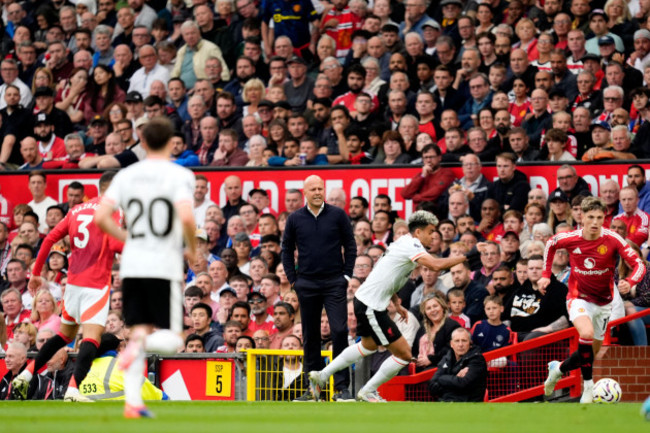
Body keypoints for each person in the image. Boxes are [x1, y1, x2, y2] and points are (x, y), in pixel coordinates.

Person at [307, 211, 485, 402]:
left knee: (367, 346)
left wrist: (395, 302)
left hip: (367, 301)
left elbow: (386, 273)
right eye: (431, 231)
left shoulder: (402, 242)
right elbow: (435, 265)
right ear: (418, 232)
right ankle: (367, 391)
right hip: (371, 305)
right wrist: (468, 255)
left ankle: (322, 376)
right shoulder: (412, 245)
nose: (434, 235)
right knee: (404, 354)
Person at [94, 117, 197, 418]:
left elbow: (102, 218)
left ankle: (133, 403)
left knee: (138, 327)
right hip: (162, 262)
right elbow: (187, 218)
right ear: (170, 142)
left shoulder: (126, 176)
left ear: (142, 141)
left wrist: (129, 238)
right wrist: (191, 248)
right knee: (175, 337)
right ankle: (137, 348)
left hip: (133, 262)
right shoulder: (179, 175)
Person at [11, 172, 123, 403]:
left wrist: (35, 272)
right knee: (92, 338)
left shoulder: (75, 210)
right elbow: (115, 242)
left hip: (72, 283)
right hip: (96, 283)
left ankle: (26, 372)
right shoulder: (113, 210)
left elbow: (50, 238)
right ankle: (73, 390)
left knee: (64, 334)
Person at [541, 197, 645, 403]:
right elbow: (550, 245)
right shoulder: (570, 238)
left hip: (604, 303)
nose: (595, 222)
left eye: (599, 217)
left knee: (590, 352)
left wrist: (631, 281)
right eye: (591, 217)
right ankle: (588, 387)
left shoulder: (613, 239)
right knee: (586, 334)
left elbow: (638, 263)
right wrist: (545, 274)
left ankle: (558, 368)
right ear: (582, 217)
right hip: (578, 298)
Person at [281, 175, 357, 401]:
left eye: (320, 188)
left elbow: (350, 245)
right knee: (310, 336)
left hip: (335, 282)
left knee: (340, 331)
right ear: (305, 192)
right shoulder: (295, 218)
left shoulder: (337, 215)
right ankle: (313, 389)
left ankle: (342, 387)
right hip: (307, 284)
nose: (317, 192)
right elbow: (286, 249)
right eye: (313, 189)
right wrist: (293, 280)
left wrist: (346, 274)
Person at [427, 327, 488, 402]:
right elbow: (432, 387)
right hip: (445, 402)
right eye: (457, 341)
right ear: (451, 344)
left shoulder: (477, 359)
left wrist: (441, 378)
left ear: (470, 343)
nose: (460, 344)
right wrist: (455, 378)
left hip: (469, 406)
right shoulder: (446, 358)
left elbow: (463, 384)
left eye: (464, 341)